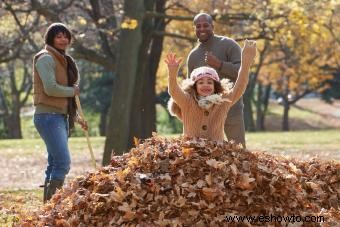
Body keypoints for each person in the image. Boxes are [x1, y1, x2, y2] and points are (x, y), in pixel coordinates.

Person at [32, 23, 87, 203]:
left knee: (54, 163)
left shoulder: (63, 60)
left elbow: (62, 98)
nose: (63, 39)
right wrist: (72, 91)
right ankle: (52, 206)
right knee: (63, 163)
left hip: (59, 116)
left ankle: (47, 208)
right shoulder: (46, 58)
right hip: (48, 117)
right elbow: (50, 89)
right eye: (58, 36)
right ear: (50, 38)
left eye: (66, 36)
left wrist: (77, 118)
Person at [166, 40, 256, 142]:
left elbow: (240, 87)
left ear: (215, 86)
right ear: (194, 86)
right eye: (200, 83)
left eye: (209, 82)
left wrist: (246, 64)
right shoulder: (187, 101)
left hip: (217, 152)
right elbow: (173, 90)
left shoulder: (223, 101)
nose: (205, 85)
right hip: (190, 152)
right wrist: (172, 73)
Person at [187, 13, 246, 147]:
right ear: (195, 29)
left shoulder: (229, 45)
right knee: (206, 153)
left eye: (206, 25)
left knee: (238, 150)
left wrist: (220, 64)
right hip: (204, 112)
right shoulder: (193, 56)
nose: (202, 28)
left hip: (231, 107)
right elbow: (190, 87)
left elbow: (242, 72)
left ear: (212, 26)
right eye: (198, 26)